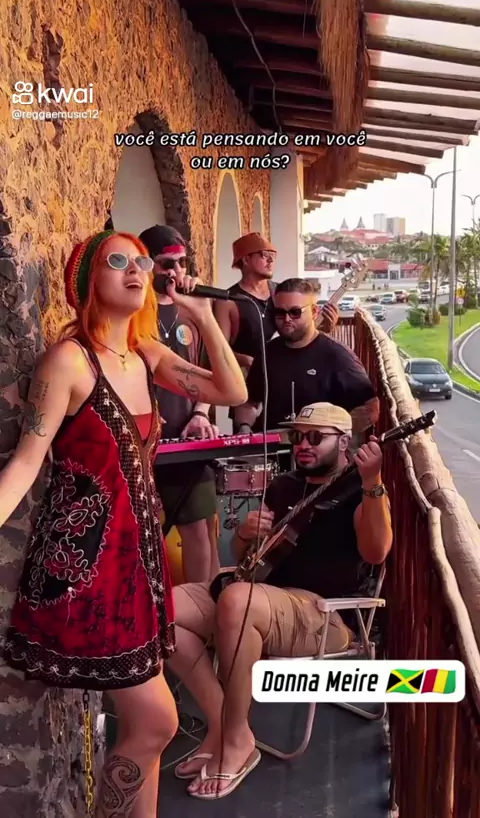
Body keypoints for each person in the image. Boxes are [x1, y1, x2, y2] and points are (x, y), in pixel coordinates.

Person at [0, 230, 247, 818]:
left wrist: (200, 314)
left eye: (142, 261)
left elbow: (231, 389)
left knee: (146, 728)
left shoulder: (145, 355)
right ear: (87, 280)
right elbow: (26, 463)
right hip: (86, 568)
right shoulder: (69, 361)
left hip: (137, 566)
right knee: (158, 721)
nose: (137, 270)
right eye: (119, 261)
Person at [166, 402, 392, 798]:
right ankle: (223, 726)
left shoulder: (358, 489)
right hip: (262, 594)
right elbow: (249, 558)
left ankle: (238, 740)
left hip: (326, 614)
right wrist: (245, 535)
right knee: (161, 611)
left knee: (237, 601)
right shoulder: (285, 486)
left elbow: (377, 552)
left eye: (315, 437)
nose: (303, 444)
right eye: (297, 436)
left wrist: (373, 481)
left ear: (344, 443)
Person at [139, 224, 220, 583]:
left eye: (182, 263)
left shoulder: (193, 311)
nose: (176, 271)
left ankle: (206, 606)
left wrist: (201, 414)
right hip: (146, 439)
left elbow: (208, 373)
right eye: (166, 263)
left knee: (203, 528)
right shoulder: (136, 310)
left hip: (188, 437)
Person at [213, 233, 339, 430]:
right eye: (264, 255)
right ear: (245, 259)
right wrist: (248, 361)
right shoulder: (228, 301)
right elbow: (219, 349)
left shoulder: (282, 294)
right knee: (250, 444)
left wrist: (324, 328)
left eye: (273, 255)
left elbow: (300, 333)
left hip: (290, 386)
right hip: (250, 394)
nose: (271, 260)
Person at [233, 278, 379, 436]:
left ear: (314, 312)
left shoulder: (337, 355)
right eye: (280, 313)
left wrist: (330, 433)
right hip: (271, 445)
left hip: (316, 449)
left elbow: (371, 409)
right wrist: (244, 427)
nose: (287, 319)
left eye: (295, 312)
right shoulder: (267, 352)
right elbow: (249, 402)